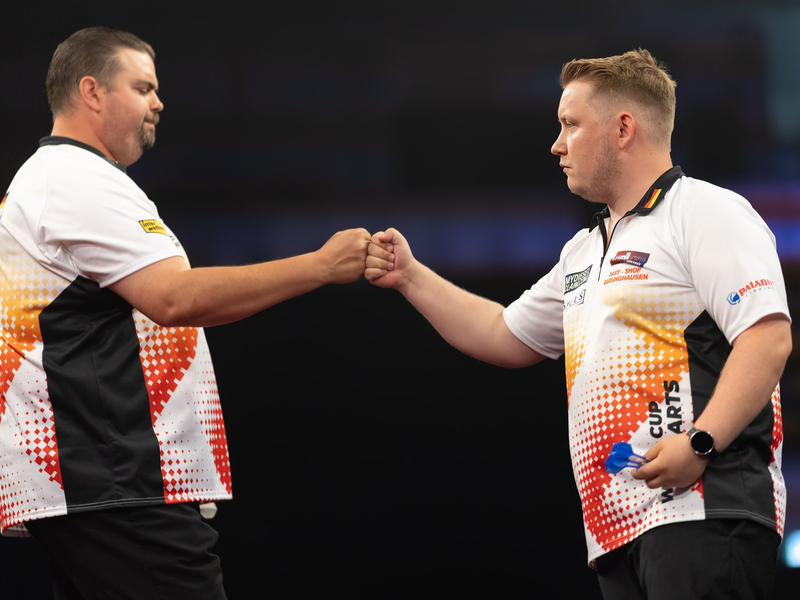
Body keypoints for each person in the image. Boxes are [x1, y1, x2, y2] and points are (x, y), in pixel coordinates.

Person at [365, 48, 791, 600]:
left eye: (570, 125)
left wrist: (699, 443)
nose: (557, 144)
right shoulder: (584, 251)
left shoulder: (705, 211)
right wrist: (410, 276)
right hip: (616, 530)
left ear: (623, 129)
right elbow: (502, 333)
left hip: (706, 508)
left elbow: (767, 337)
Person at [0, 27, 371, 600]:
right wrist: (320, 266)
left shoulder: (59, 180)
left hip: (98, 479)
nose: (159, 103)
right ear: (92, 92)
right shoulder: (76, 181)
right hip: (116, 479)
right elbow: (175, 298)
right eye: (143, 88)